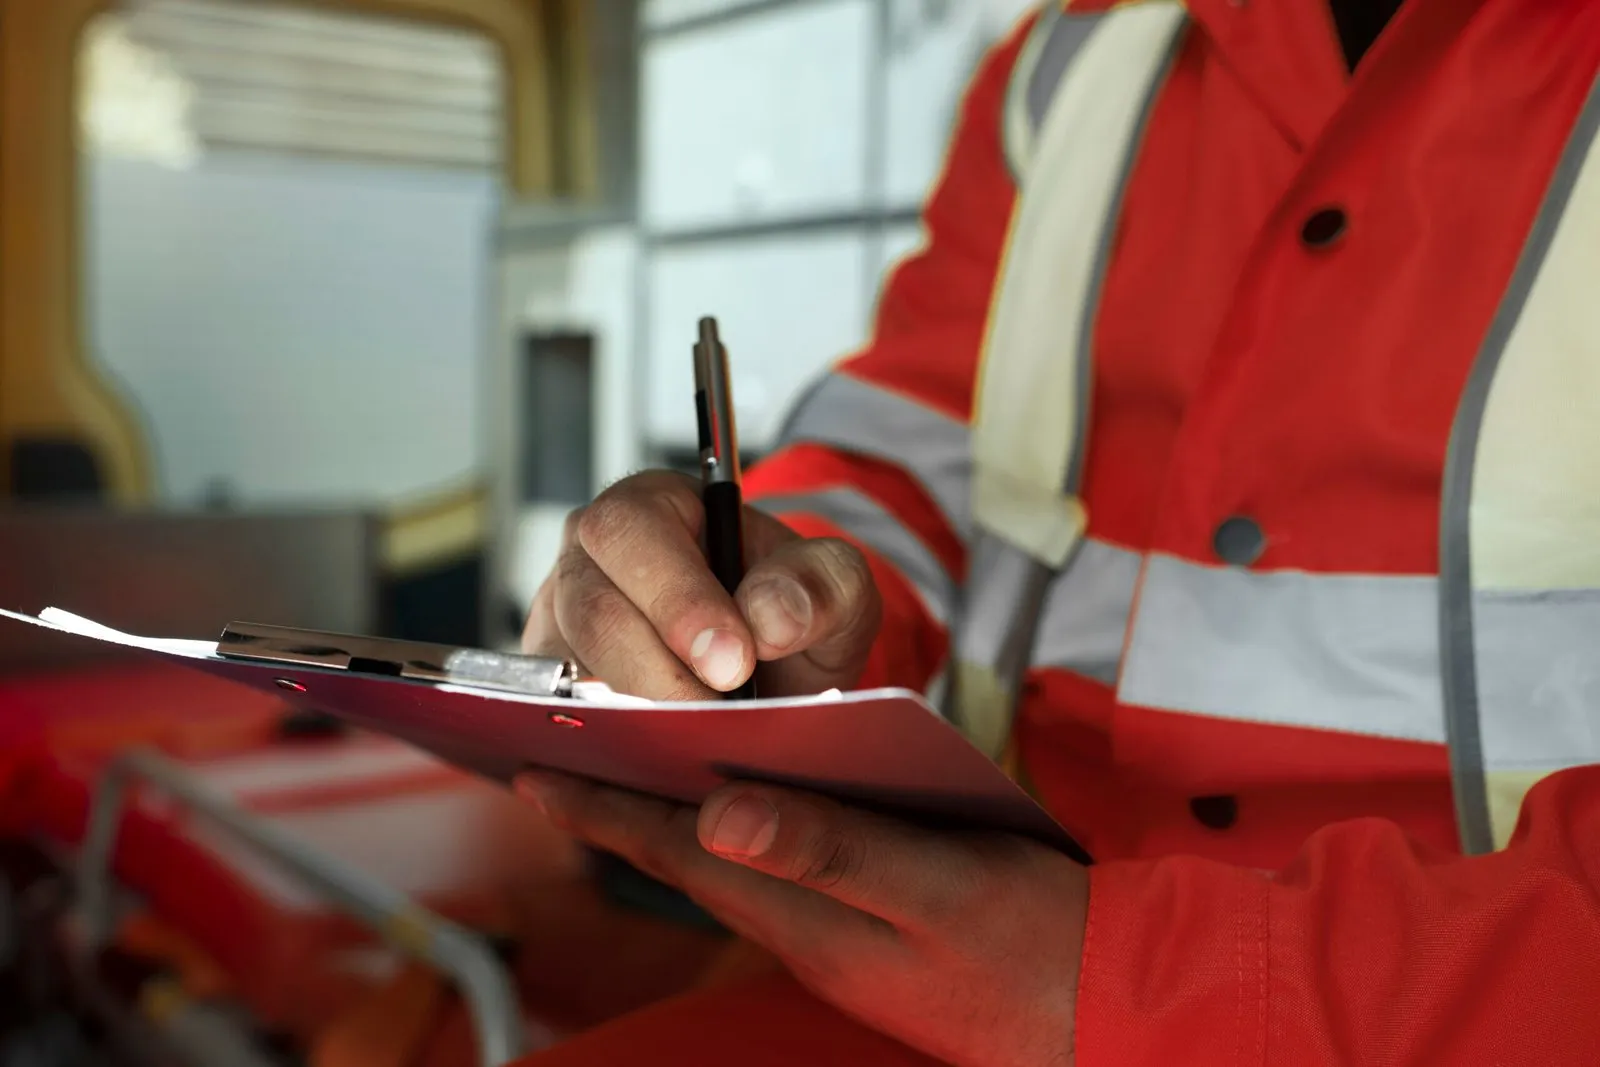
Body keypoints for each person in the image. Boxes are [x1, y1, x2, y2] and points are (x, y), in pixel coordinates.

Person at [516, 0, 1600, 1063]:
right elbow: (915, 450)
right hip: (990, 966)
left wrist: (1145, 980)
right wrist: (759, 595)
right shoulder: (1074, 56)